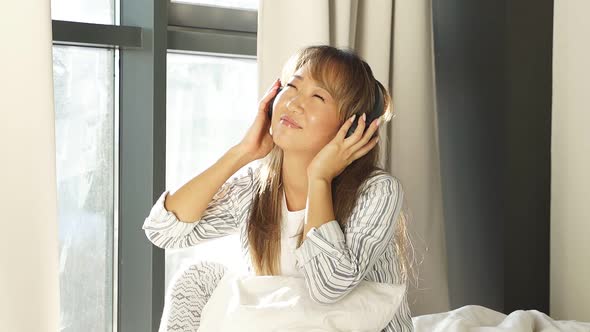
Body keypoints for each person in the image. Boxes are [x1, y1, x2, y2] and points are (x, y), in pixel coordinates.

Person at [143, 44, 416, 332]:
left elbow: (328, 288)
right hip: (283, 322)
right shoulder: (257, 188)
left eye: (318, 96)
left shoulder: (377, 191)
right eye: (292, 87)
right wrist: (242, 152)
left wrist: (319, 179)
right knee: (198, 279)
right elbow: (163, 231)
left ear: (350, 129)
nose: (294, 103)